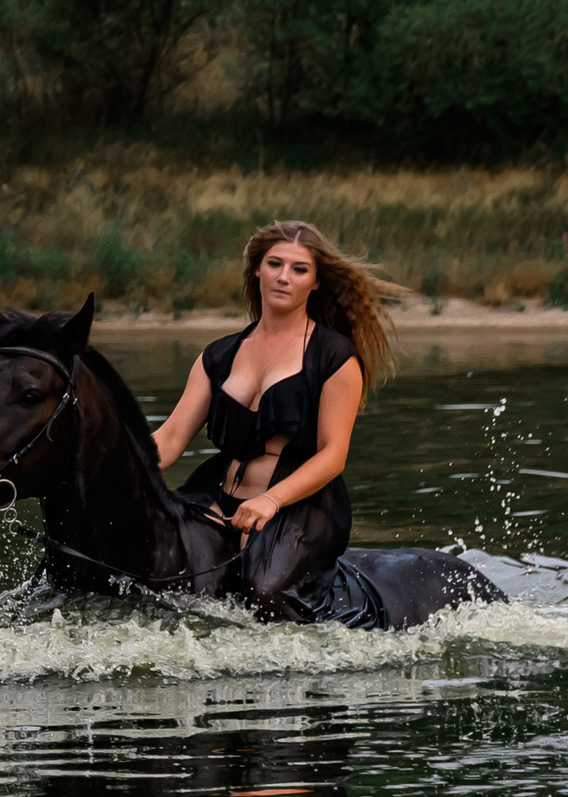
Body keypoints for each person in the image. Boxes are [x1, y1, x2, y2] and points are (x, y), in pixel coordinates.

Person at [152, 220, 400, 620]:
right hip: (217, 495)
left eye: (299, 269)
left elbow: (333, 455)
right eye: (274, 264)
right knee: (153, 559)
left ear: (315, 282)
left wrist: (270, 500)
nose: (284, 277)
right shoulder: (218, 355)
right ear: (257, 270)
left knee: (265, 591)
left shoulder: (334, 356)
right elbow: (170, 438)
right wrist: (110, 459)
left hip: (300, 507)